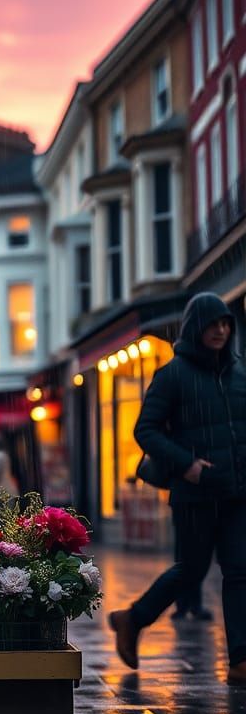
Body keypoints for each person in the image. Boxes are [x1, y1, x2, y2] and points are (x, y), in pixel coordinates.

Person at [110, 293, 246, 685]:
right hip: (196, 494)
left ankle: (240, 659)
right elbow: (145, 431)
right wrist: (186, 466)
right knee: (192, 571)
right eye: (212, 323)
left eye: (226, 324)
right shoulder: (173, 375)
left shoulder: (239, 374)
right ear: (195, 327)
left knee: (239, 572)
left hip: (236, 493)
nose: (220, 330)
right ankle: (132, 619)